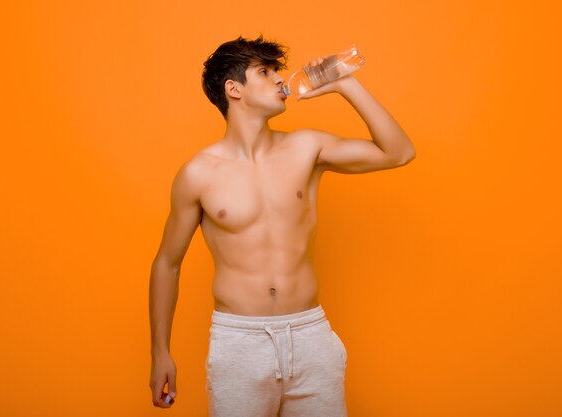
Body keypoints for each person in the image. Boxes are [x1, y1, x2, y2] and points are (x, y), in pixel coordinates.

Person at [149, 34, 415, 416]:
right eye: (265, 71)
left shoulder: (307, 149)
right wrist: (160, 352)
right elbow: (167, 263)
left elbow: (399, 152)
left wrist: (345, 84)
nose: (279, 79)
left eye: (278, 70)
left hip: (310, 336)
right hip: (239, 341)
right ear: (233, 89)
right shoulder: (198, 174)